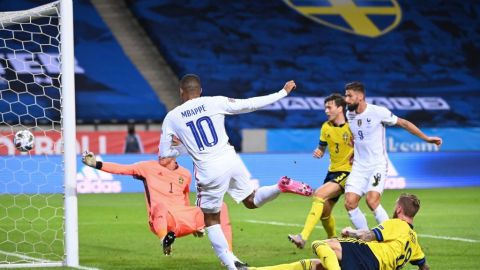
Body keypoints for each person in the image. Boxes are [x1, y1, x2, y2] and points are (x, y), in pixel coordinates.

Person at [159, 74, 313, 270]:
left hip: (209, 169)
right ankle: (279, 186)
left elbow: (164, 155)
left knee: (211, 219)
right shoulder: (215, 102)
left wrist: (182, 147)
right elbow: (249, 104)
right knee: (251, 200)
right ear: (200, 91)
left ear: (181, 92)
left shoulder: (172, 117)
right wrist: (282, 92)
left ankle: (232, 266)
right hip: (231, 160)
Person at [81, 151, 233, 256]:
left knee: (221, 207)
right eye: (159, 151)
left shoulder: (185, 174)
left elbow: (185, 198)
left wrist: (196, 225)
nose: (160, 154)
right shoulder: (147, 167)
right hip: (163, 221)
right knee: (160, 206)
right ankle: (164, 241)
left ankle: (228, 254)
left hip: (183, 219)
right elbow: (122, 169)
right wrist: (96, 164)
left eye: (164, 152)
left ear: (174, 155)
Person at [343, 82, 442, 230]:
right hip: (359, 166)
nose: (346, 99)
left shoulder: (378, 112)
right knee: (350, 203)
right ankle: (365, 238)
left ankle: (392, 235)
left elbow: (404, 123)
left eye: (349, 96)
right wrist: (353, 151)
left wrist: (426, 138)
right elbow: (357, 135)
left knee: (372, 201)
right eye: (346, 95)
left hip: (377, 164)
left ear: (360, 96)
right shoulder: (349, 113)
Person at [249, 193, 430, 270]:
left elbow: (368, 236)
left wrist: (351, 232)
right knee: (315, 265)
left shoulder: (397, 224)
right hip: (372, 266)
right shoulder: (415, 243)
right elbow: (423, 266)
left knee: (320, 244)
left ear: (399, 210)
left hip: (367, 256)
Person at [288, 93, 353, 249]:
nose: (326, 110)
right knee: (324, 212)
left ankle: (302, 237)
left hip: (348, 172)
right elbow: (322, 148)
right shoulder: (326, 127)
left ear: (340, 108)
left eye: (329, 107)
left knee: (319, 195)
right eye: (325, 107)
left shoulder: (353, 126)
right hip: (332, 172)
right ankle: (334, 241)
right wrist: (319, 152)